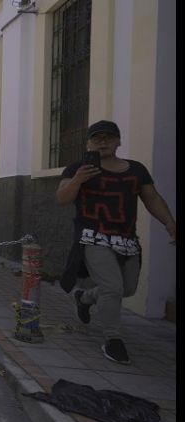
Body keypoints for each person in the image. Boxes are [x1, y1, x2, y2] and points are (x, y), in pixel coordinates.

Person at [57, 120, 176, 365]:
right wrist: (77, 180)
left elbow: (151, 198)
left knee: (127, 288)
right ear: (88, 142)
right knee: (112, 287)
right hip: (92, 236)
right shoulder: (78, 167)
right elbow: (62, 199)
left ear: (118, 141)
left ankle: (85, 298)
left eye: (108, 137)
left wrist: (169, 222)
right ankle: (113, 339)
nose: (102, 141)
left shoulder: (136, 169)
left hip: (127, 239)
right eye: (97, 137)